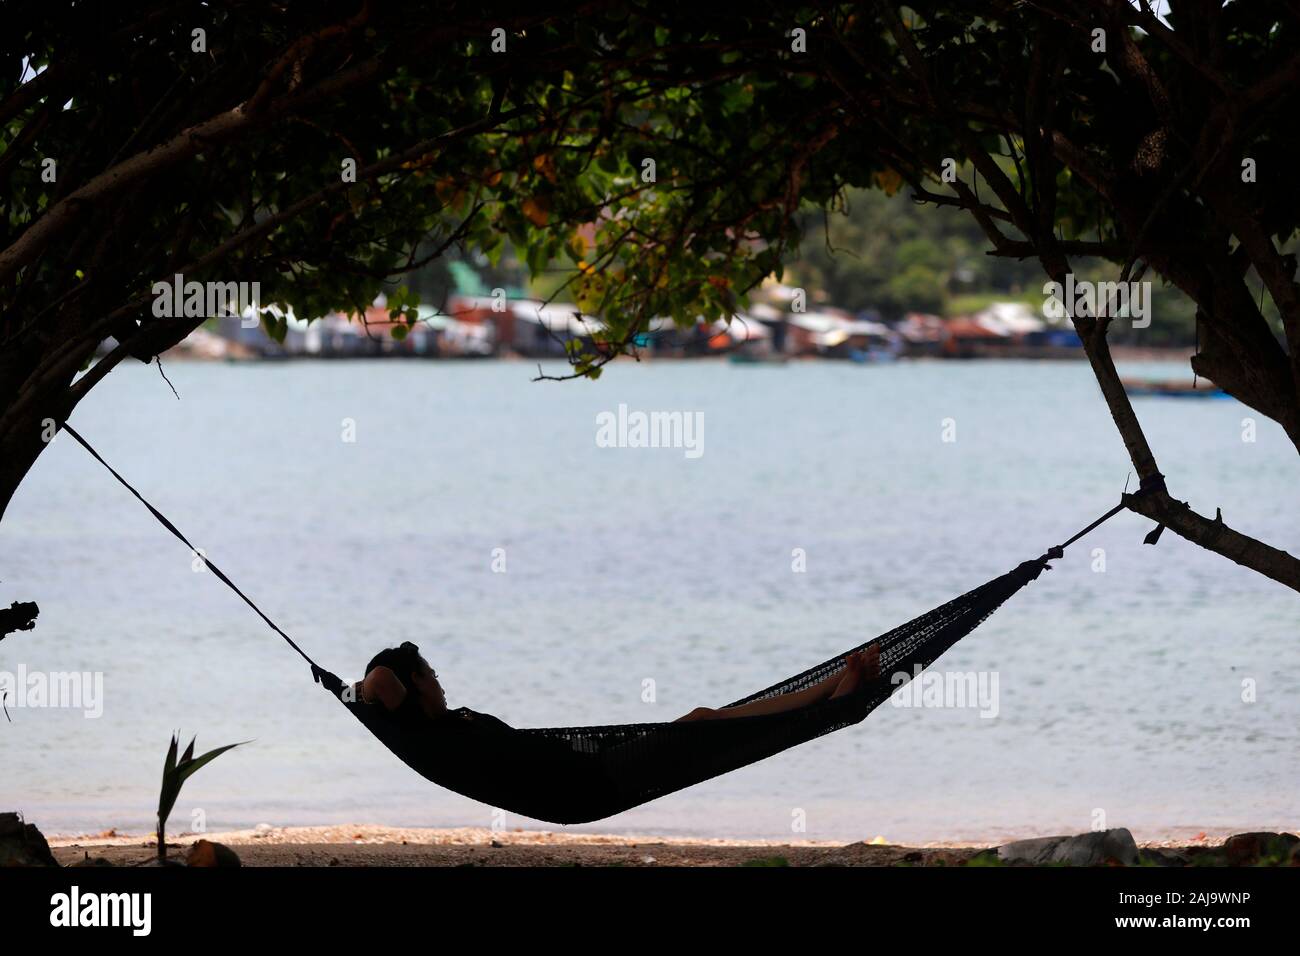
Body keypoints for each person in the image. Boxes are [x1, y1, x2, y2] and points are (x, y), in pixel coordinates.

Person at [355, 641, 881, 729]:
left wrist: (347, 692)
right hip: (592, 777)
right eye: (434, 677)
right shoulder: (429, 729)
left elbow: (378, 685)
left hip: (585, 770)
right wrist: (348, 688)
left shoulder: (438, 729)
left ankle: (837, 688)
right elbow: (378, 679)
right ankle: (836, 693)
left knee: (706, 721)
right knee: (704, 721)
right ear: (416, 684)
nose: (443, 686)